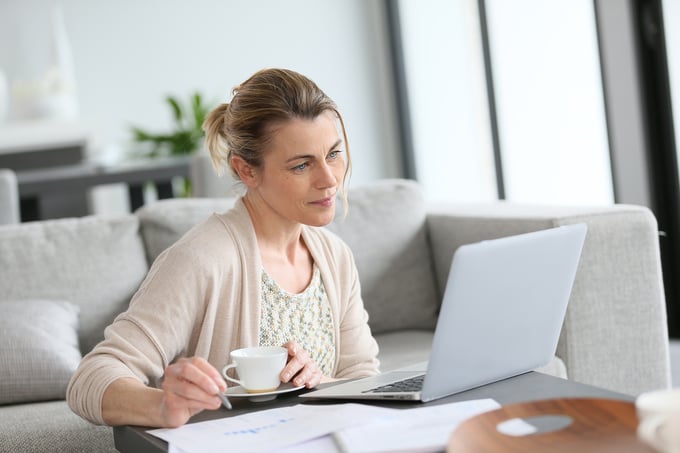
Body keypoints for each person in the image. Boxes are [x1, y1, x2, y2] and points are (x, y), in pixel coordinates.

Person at [66, 68, 380, 428]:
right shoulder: (202, 259)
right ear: (246, 171)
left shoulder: (334, 257)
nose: (329, 179)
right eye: (302, 165)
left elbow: (363, 380)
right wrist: (163, 408)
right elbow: (90, 379)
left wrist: (318, 383)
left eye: (334, 154)